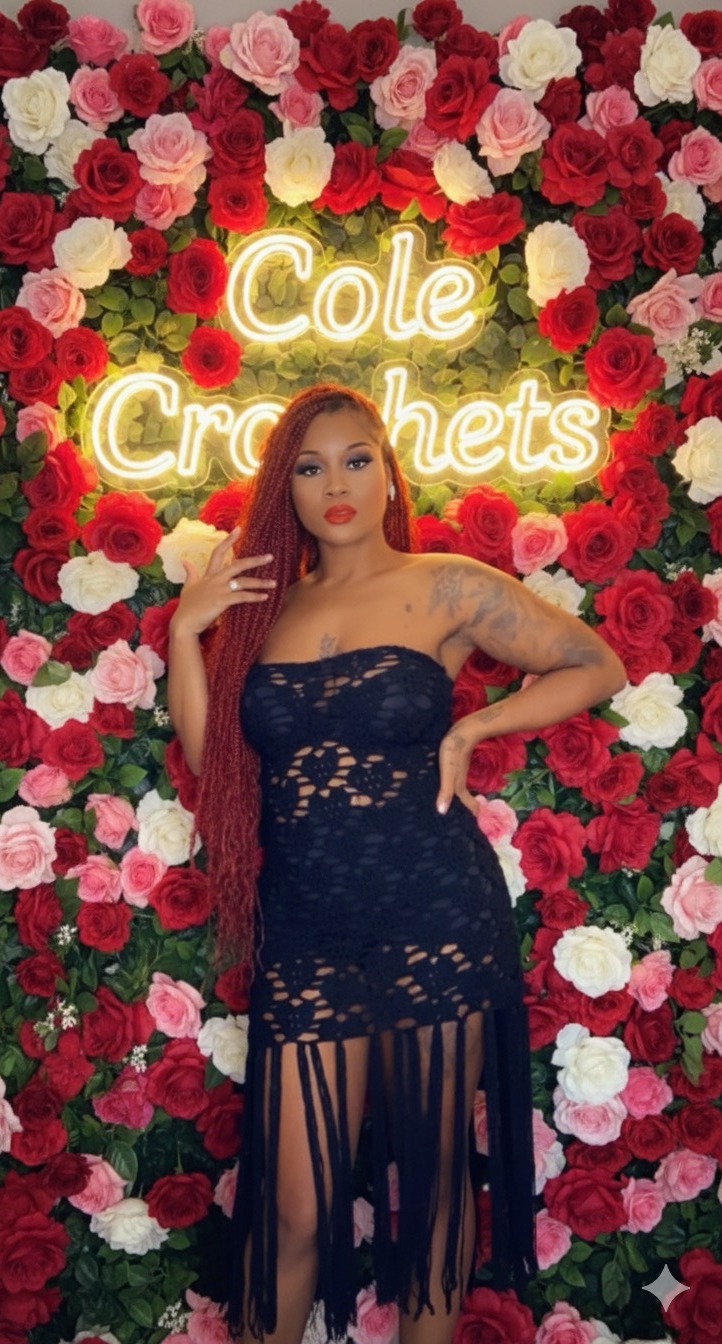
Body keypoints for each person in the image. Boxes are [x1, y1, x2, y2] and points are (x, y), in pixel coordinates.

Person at [167, 383, 626, 1344]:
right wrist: (184, 632)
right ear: (285, 487)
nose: (335, 485)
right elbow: (217, 768)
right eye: (309, 467)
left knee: (432, 1186)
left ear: (388, 472)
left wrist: (474, 728)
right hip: (307, 927)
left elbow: (594, 663)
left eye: (356, 459)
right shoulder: (263, 611)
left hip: (435, 913)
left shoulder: (445, 584)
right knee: (294, 1207)